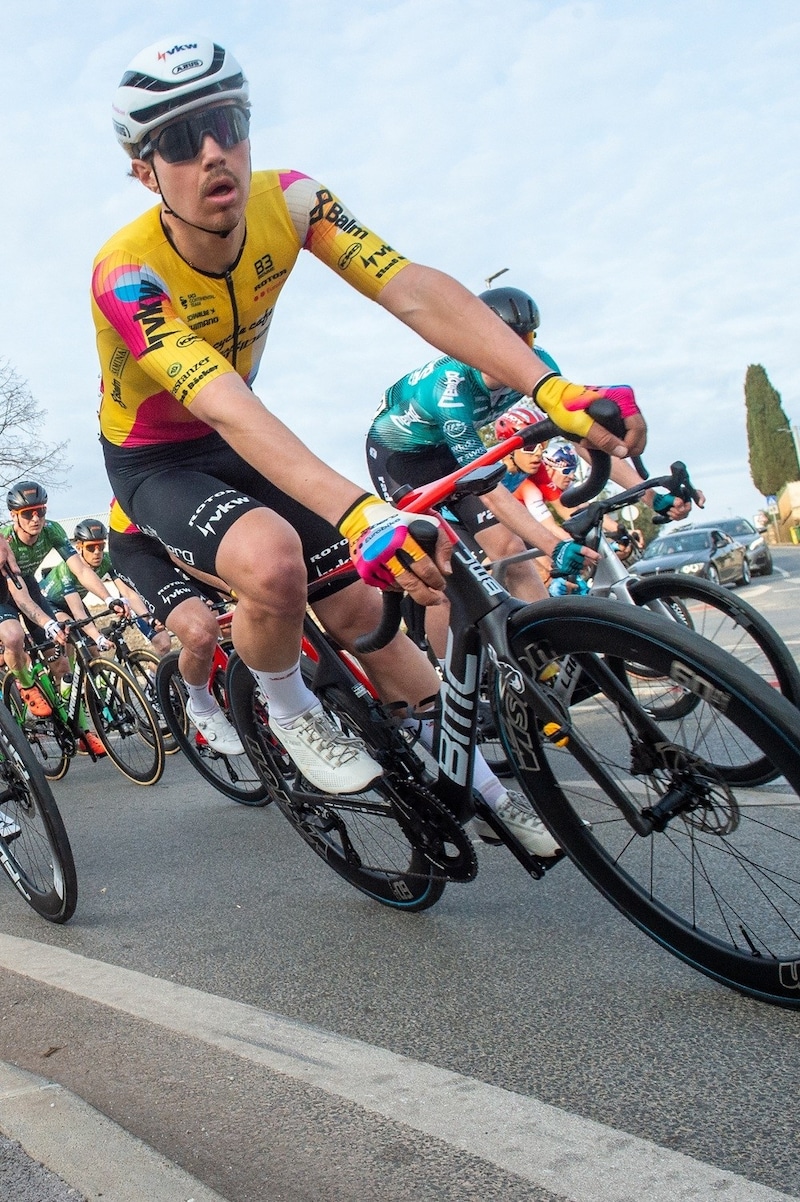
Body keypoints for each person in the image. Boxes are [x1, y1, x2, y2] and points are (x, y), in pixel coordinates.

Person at [92, 36, 643, 851]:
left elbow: (412, 289)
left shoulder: (297, 202)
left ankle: (486, 787)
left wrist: (549, 388)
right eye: (179, 140)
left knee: (363, 608)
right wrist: (359, 513)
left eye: (228, 123)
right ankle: (289, 708)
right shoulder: (126, 274)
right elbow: (223, 399)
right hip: (160, 457)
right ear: (146, 170)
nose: (214, 152)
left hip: (239, 425)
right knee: (275, 562)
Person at [106, 499, 245, 757]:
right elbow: (177, 558)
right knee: (197, 633)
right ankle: (200, 703)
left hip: (181, 536)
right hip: (139, 550)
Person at [1, 483, 129, 751]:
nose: (36, 518)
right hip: (5, 592)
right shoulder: (7, 540)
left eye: (40, 511)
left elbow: (81, 570)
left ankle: (82, 733)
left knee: (61, 665)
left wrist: (108, 597)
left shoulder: (52, 530)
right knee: (14, 638)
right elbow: (19, 597)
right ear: (14, 516)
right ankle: (26, 686)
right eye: (27, 513)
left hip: (29, 586)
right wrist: (46, 623)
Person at [42, 518, 173, 658]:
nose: (97, 552)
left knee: (93, 654)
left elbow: (128, 593)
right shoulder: (68, 569)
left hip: (76, 602)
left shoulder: (106, 560)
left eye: (101, 546)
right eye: (91, 548)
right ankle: (66, 677)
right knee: (73, 639)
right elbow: (77, 611)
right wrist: (98, 637)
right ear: (79, 547)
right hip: (51, 604)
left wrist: (149, 619)